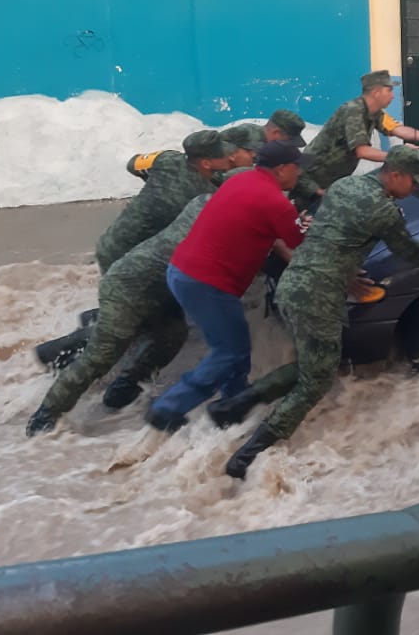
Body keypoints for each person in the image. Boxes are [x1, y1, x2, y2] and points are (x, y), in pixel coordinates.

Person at [212, 148, 419, 479]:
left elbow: (335, 239)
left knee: (310, 365)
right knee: (317, 381)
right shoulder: (383, 210)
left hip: (293, 283)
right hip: (318, 295)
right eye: (414, 184)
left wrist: (345, 272)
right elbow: (411, 254)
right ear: (396, 174)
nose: (415, 190)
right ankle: (247, 456)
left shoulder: (343, 185)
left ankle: (232, 406)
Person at [144, 140, 308, 431]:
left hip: (181, 271)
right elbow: (301, 244)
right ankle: (167, 408)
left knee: (236, 346)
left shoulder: (242, 179)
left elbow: (265, 229)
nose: (301, 174)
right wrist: (307, 226)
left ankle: (232, 406)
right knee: (229, 351)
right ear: (282, 169)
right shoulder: (275, 202)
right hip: (208, 283)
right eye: (297, 168)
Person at [26, 195, 212, 435]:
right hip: (130, 285)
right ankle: (45, 416)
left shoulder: (204, 200)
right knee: (102, 355)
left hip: (153, 287)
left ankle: (122, 387)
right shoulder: (211, 208)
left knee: (171, 334)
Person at [292, 71, 419, 209]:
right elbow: (362, 151)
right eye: (389, 90)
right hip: (312, 178)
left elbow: (398, 130)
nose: (392, 96)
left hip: (331, 179)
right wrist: (400, 155)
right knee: (303, 222)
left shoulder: (374, 113)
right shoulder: (353, 111)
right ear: (376, 92)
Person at [96, 130, 232, 274]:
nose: (229, 157)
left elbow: (132, 164)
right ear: (206, 163)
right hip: (127, 258)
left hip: (109, 242)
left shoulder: (166, 159)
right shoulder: (201, 198)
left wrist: (154, 181)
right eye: (223, 155)